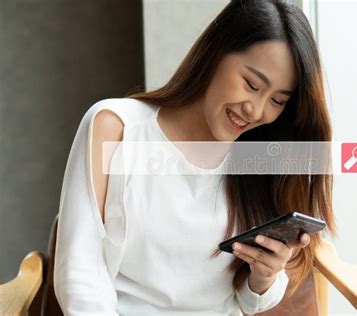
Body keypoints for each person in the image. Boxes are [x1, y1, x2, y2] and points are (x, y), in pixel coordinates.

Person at [54, 0, 337, 315]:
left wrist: (265, 275)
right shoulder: (117, 128)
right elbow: (80, 276)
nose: (256, 111)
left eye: (277, 100)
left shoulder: (261, 159)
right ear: (216, 53)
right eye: (251, 84)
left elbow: (248, 302)